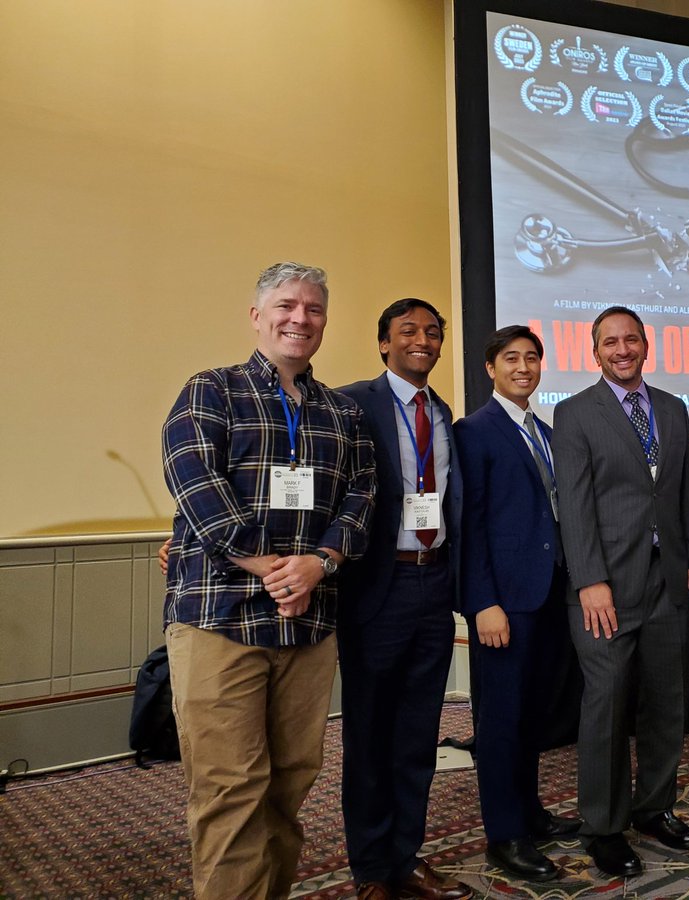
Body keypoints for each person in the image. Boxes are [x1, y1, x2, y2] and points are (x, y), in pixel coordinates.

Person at [160, 261, 376, 900]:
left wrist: (319, 564)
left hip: (309, 621)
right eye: (286, 306)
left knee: (289, 782)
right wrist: (269, 565)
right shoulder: (211, 391)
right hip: (220, 616)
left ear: (325, 323)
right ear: (258, 316)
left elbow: (362, 497)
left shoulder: (342, 412)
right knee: (230, 788)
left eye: (312, 310)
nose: (299, 319)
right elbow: (194, 479)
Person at [552, 306, 689, 878]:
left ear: (647, 345)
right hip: (606, 589)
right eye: (609, 342)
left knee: (667, 702)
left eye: (631, 340)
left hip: (669, 581)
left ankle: (653, 808)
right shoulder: (573, 414)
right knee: (607, 706)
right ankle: (603, 825)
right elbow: (574, 505)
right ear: (594, 352)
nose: (622, 350)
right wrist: (589, 580)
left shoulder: (672, 407)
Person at [335, 298, 472, 900]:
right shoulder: (349, 403)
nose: (423, 340)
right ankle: (371, 869)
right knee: (370, 733)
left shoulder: (443, 414)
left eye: (433, 332)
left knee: (419, 733)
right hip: (376, 586)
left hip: (433, 583)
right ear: (383, 343)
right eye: (408, 331)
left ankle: (406, 855)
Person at [453, 325, 581, 882]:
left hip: (548, 595)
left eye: (532, 358)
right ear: (491, 368)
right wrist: (482, 602)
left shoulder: (546, 433)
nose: (524, 367)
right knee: (500, 720)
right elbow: (468, 525)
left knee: (531, 715)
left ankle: (529, 813)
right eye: (512, 359)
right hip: (503, 603)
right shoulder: (473, 432)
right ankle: (504, 836)